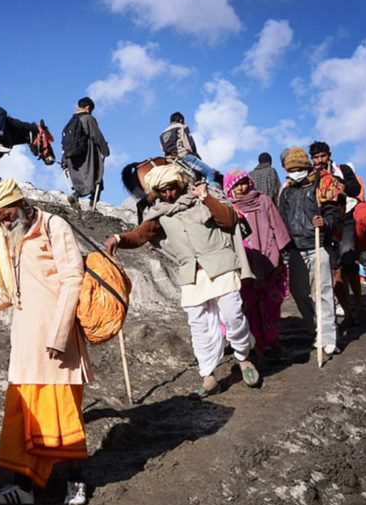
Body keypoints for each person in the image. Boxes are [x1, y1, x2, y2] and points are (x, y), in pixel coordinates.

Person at [0, 179, 92, 505]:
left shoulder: (55, 226)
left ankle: (76, 481)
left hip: (58, 342)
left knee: (63, 414)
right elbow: (9, 293)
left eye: (6, 215)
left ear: (19, 202)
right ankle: (23, 486)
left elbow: (72, 280)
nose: (4, 223)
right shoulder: (11, 240)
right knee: (24, 416)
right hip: (25, 344)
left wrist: (60, 333)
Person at [106, 165, 258, 397]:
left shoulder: (201, 198)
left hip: (221, 265)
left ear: (179, 184)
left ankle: (244, 358)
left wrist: (206, 197)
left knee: (232, 314)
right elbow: (140, 235)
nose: (168, 194)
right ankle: (208, 376)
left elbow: (228, 221)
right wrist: (119, 238)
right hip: (192, 274)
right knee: (199, 326)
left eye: (171, 188)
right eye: (162, 190)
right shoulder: (160, 213)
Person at [277, 146, 342, 358]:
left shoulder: (321, 185)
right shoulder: (285, 192)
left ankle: (329, 338)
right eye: (291, 169)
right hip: (295, 249)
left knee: (323, 293)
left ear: (306, 168)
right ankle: (316, 330)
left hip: (317, 245)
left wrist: (324, 222)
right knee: (298, 292)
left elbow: (335, 215)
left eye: (299, 168)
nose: (295, 172)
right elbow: (282, 219)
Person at [223, 170, 291, 359]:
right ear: (228, 188)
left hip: (268, 259)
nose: (240, 188)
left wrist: (280, 254)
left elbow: (277, 227)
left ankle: (272, 340)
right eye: (235, 185)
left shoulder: (264, 201)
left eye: (243, 183)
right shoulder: (228, 209)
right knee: (249, 306)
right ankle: (258, 349)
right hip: (245, 263)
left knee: (270, 304)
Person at [309, 141, 366, 324]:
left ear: (329, 155)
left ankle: (359, 303)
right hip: (324, 223)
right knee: (334, 268)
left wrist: (337, 182)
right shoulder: (311, 176)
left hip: (345, 219)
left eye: (323, 156)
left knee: (349, 259)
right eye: (316, 157)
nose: (319, 160)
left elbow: (355, 189)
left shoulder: (343, 170)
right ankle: (348, 311)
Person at [62, 97, 110, 209]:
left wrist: (64, 160)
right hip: (87, 156)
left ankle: (76, 195)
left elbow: (66, 142)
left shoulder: (71, 122)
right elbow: (96, 136)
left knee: (80, 183)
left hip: (71, 158)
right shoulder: (88, 119)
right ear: (88, 108)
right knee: (97, 179)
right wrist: (105, 150)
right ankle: (92, 207)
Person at [159, 112, 220, 185]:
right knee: (210, 172)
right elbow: (188, 144)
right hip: (183, 157)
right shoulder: (182, 126)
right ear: (181, 120)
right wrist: (195, 154)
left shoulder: (162, 133)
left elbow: (162, 148)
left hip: (169, 159)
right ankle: (207, 192)